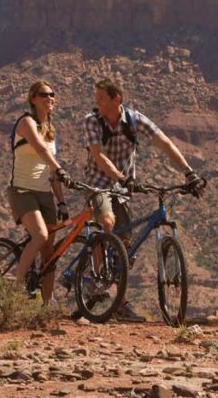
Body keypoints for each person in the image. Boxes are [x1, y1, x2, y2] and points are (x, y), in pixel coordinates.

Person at [81, 77, 203, 321]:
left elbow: (164, 143)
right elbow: (97, 156)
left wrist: (189, 172)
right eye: (97, 99)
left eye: (102, 99)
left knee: (125, 245)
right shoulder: (92, 121)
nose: (97, 103)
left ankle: (118, 302)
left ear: (117, 99)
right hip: (98, 183)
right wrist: (120, 177)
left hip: (124, 188)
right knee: (107, 221)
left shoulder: (135, 120)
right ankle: (96, 280)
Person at [9, 80, 69, 303]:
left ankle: (47, 302)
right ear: (33, 98)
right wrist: (58, 167)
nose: (50, 98)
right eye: (44, 94)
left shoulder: (51, 131)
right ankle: (16, 291)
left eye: (52, 94)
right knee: (41, 235)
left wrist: (61, 201)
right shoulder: (26, 123)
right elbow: (40, 149)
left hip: (45, 194)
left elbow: (50, 169)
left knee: (49, 253)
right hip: (23, 191)